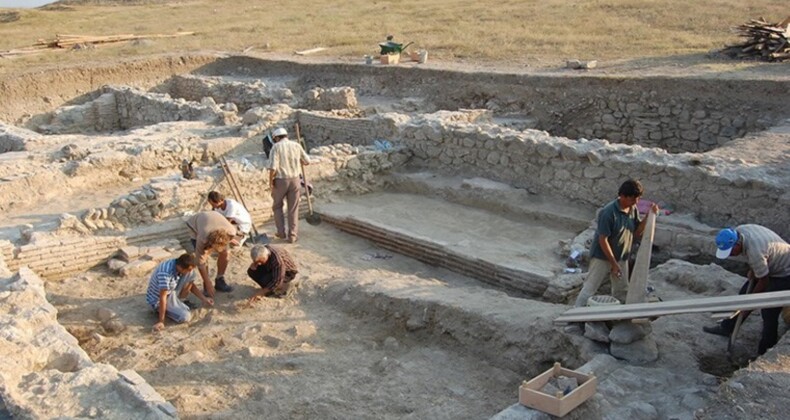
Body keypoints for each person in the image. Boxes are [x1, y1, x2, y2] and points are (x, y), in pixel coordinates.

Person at [702, 225, 790, 354]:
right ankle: (728, 327)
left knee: (769, 310)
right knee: (743, 294)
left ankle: (766, 349)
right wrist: (754, 270)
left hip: (786, 272)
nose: (731, 255)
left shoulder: (755, 252)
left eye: (731, 251)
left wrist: (749, 303)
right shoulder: (741, 231)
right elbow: (760, 259)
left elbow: (764, 282)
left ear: (737, 244)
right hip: (772, 261)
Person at [574, 179, 660, 307]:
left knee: (622, 290)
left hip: (622, 256)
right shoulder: (608, 213)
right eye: (633, 199)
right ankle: (576, 315)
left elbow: (636, 232)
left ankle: (619, 316)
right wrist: (613, 264)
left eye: (638, 199)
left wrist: (648, 217)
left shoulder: (632, 209)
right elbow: (602, 240)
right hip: (602, 257)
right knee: (590, 287)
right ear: (623, 196)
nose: (636, 202)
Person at [145, 253, 213, 332]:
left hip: (171, 290)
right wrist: (161, 321)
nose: (189, 271)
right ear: (181, 268)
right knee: (185, 317)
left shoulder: (177, 265)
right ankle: (165, 310)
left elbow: (191, 285)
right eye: (188, 269)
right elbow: (162, 297)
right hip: (158, 300)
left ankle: (180, 301)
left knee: (191, 274)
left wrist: (204, 299)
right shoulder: (165, 274)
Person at [268, 127, 310, 243]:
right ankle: (292, 235)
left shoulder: (276, 147)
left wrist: (270, 182)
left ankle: (281, 233)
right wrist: (299, 162)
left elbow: (273, 168)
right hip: (295, 179)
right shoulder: (296, 145)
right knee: (293, 208)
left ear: (276, 138)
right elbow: (307, 161)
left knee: (277, 206)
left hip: (281, 180)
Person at [185, 210, 241, 296]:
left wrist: (229, 241)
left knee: (225, 253)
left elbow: (227, 240)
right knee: (204, 257)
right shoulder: (202, 237)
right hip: (195, 225)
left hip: (216, 221)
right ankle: (206, 285)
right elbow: (200, 262)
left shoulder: (231, 231)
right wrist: (208, 283)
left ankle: (219, 280)